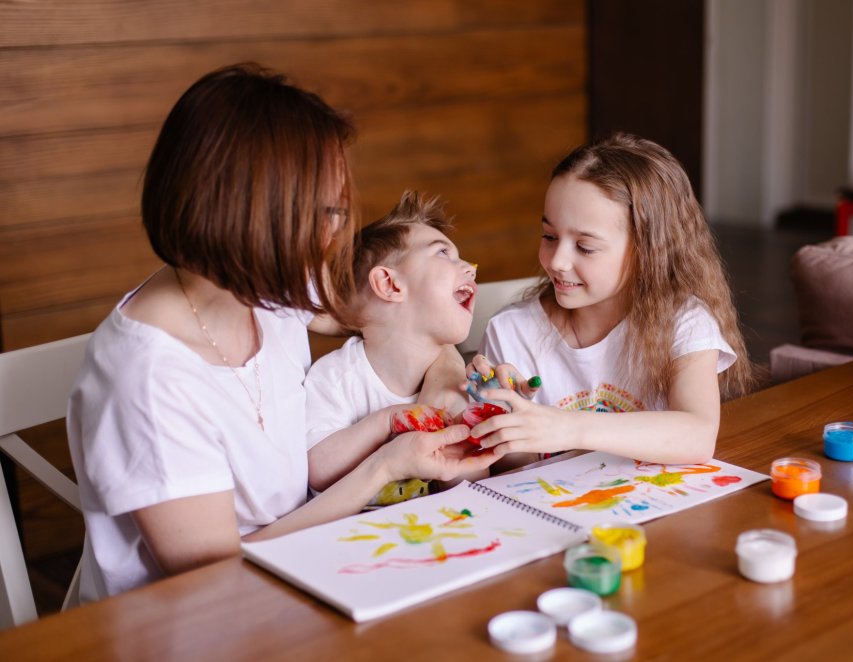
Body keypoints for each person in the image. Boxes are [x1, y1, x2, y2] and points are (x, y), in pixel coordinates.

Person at [66, 63, 494, 602]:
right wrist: (387, 462)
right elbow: (215, 579)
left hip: (312, 569)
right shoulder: (148, 379)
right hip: (202, 617)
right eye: (327, 212)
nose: (337, 233)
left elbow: (410, 319)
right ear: (254, 218)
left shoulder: (266, 288)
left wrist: (445, 376)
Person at [465, 133, 753, 467]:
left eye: (585, 246)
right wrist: (509, 420)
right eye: (549, 236)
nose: (557, 261)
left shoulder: (684, 322)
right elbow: (513, 471)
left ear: (649, 251)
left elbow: (698, 436)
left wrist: (567, 427)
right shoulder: (511, 331)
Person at [305, 190, 482, 507]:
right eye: (443, 253)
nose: (470, 267)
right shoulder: (335, 377)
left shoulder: (461, 384)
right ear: (389, 284)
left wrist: (473, 438)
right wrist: (387, 422)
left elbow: (473, 488)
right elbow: (315, 468)